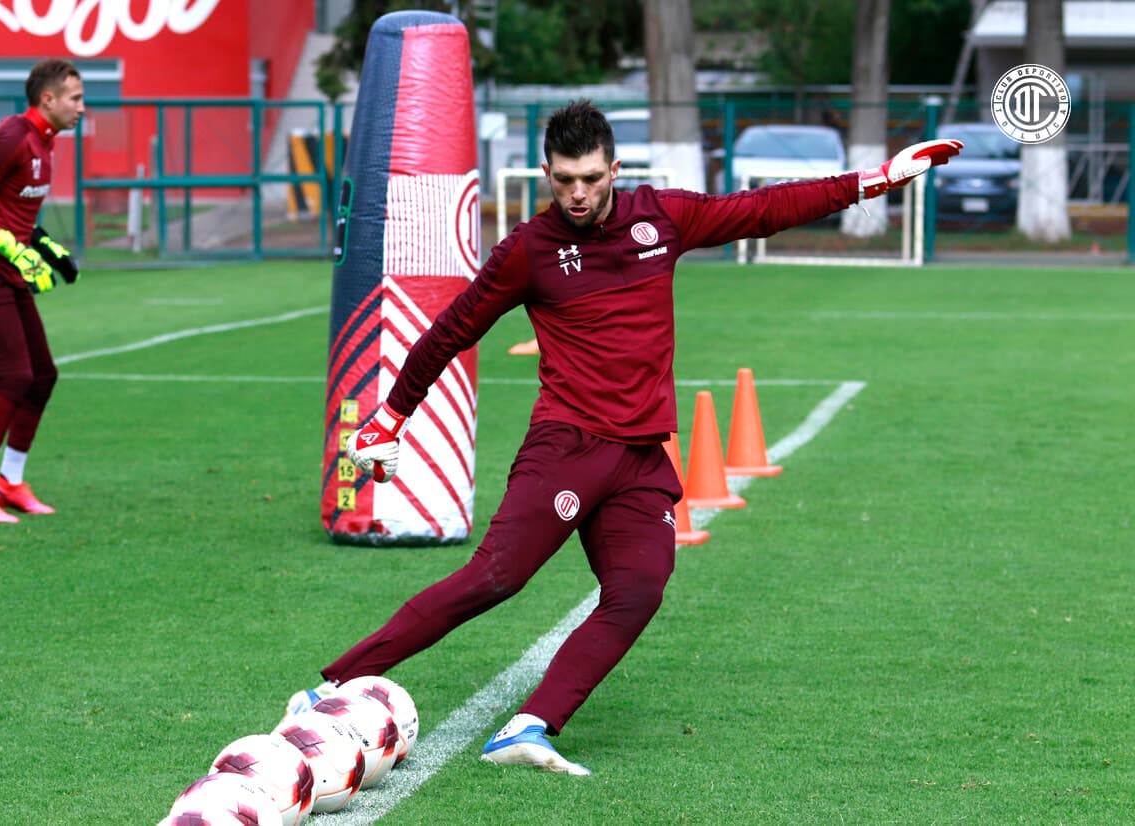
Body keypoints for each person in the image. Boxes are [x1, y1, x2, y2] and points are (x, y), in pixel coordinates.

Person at [289, 100, 963, 774]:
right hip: (569, 446)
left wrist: (874, 180)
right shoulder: (529, 249)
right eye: (562, 181)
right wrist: (390, 415)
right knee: (495, 577)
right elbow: (452, 330)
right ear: (547, 174)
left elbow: (764, 208)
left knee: (639, 587)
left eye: (589, 178)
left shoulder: (661, 218)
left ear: (615, 168)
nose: (577, 194)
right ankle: (330, 686)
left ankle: (528, 725)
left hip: (642, 458)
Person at [0, 58, 84, 523]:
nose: (81, 108)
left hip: (8, 270)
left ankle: (10, 482)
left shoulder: (46, 144)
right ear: (47, 100)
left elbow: (15, 213)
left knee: (42, 375)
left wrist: (47, 248)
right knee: (16, 376)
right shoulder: (13, 134)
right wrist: (11, 248)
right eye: (75, 99)